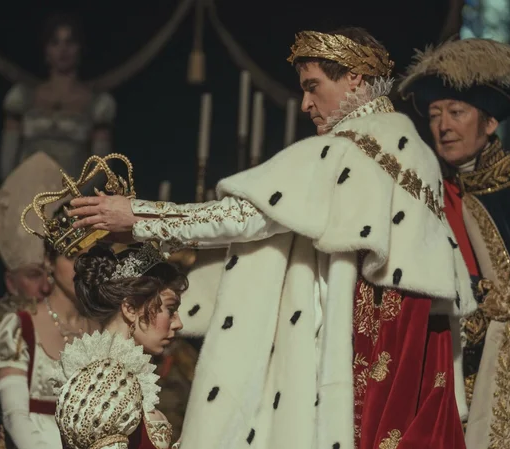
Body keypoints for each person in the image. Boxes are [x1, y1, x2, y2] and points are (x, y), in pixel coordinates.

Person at [63, 27, 474, 449]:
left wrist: (139, 216)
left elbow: (247, 216)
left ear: (354, 77)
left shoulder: (352, 147)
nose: (306, 104)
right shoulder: (416, 153)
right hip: (418, 347)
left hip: (367, 346)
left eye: (313, 87)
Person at [399, 38, 510, 449]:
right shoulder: (424, 195)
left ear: (489, 122)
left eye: (456, 112)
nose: (443, 126)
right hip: (439, 385)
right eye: (435, 115)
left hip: (505, 399)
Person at [0, 204, 102, 449]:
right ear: (49, 261)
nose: (82, 267)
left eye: (89, 258)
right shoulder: (20, 328)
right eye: (73, 256)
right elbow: (15, 416)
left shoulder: (102, 331)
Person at [54, 240, 186, 449]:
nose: (178, 323)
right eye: (170, 309)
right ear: (131, 309)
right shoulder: (104, 381)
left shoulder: (117, 377)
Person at [0, 13, 116, 180]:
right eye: (55, 43)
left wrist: (79, 194)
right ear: (46, 50)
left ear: (80, 49)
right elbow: (8, 161)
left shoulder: (98, 104)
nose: (63, 49)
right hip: (26, 189)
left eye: (70, 42)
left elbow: (100, 168)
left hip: (74, 191)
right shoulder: (22, 98)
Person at [0, 152, 62, 336]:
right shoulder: (3, 337)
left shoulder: (88, 330)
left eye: (53, 274)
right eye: (34, 275)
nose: (46, 287)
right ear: (11, 283)